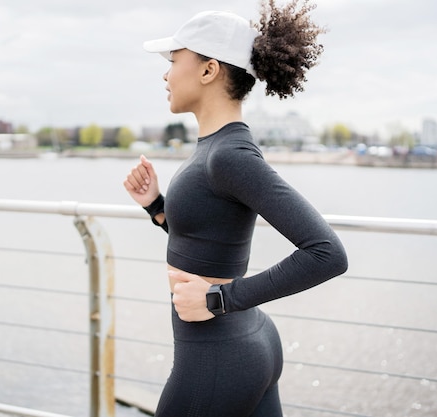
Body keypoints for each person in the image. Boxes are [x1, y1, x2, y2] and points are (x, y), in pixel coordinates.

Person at [123, 1, 348, 415]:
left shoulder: (230, 155)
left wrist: (217, 300)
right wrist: (157, 206)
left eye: (174, 60)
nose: (166, 73)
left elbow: (327, 254)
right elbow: (207, 239)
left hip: (219, 356)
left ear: (209, 70)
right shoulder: (215, 147)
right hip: (244, 342)